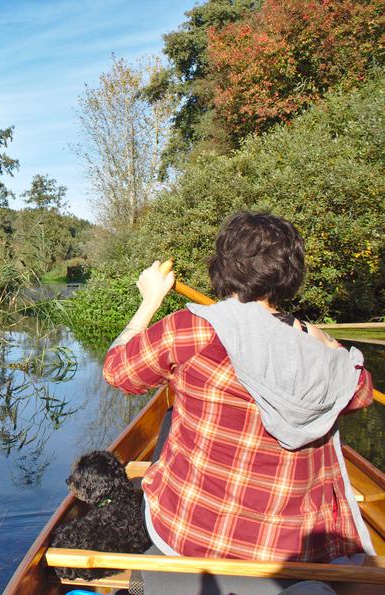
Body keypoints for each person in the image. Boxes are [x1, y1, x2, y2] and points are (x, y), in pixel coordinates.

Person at [103, 212, 374, 592]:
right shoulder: (320, 352)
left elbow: (118, 371)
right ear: (291, 275)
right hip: (289, 551)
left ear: (223, 267)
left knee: (169, 420)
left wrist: (150, 301)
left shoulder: (195, 327)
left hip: (189, 532)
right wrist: (330, 346)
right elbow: (361, 392)